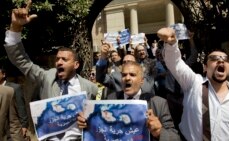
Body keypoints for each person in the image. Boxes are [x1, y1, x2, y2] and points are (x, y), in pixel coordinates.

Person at [4, 2, 98, 140]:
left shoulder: (91, 89)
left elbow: (98, 122)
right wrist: (16, 27)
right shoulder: (46, 77)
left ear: (76, 64)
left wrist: (89, 122)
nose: (59, 62)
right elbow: (22, 61)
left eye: (64, 60)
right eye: (57, 59)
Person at [157, 27, 229, 141]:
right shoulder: (193, 84)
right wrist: (171, 43)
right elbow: (175, 63)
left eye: (225, 59)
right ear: (205, 67)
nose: (221, 61)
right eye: (214, 58)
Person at [78, 61, 181, 141]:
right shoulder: (110, 100)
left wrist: (159, 132)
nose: (127, 78)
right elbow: (99, 129)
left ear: (142, 81)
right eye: (124, 75)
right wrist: (88, 123)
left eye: (132, 75)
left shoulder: (158, 103)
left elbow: (175, 137)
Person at [0, 65, 29, 141]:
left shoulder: (14, 88)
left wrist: (24, 125)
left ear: (3, 74)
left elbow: (21, 107)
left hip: (12, 128)